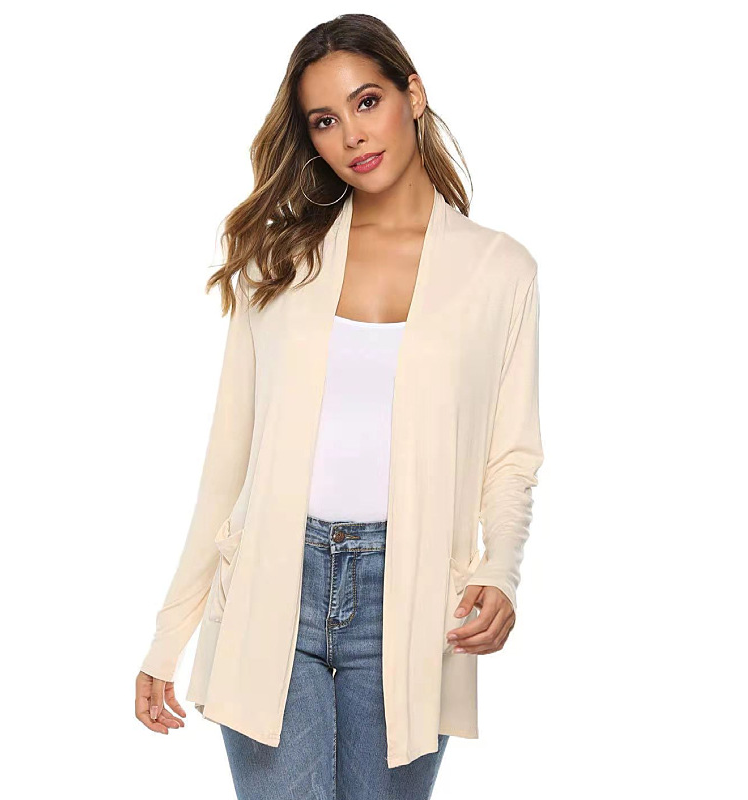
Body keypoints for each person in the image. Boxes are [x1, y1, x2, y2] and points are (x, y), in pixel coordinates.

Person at [135, 13, 544, 800]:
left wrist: (502, 570)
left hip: (412, 601)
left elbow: (512, 453)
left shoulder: (500, 271)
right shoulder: (282, 260)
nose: (352, 134)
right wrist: (167, 636)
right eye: (324, 120)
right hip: (270, 586)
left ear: (412, 96)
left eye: (367, 102)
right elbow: (228, 462)